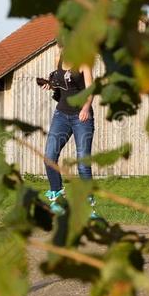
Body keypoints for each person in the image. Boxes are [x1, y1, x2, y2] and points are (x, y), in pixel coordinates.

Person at [40, 48, 97, 216]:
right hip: (61, 115)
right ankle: (58, 199)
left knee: (83, 164)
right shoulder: (59, 57)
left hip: (82, 117)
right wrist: (50, 85)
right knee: (50, 157)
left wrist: (86, 108)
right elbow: (62, 86)